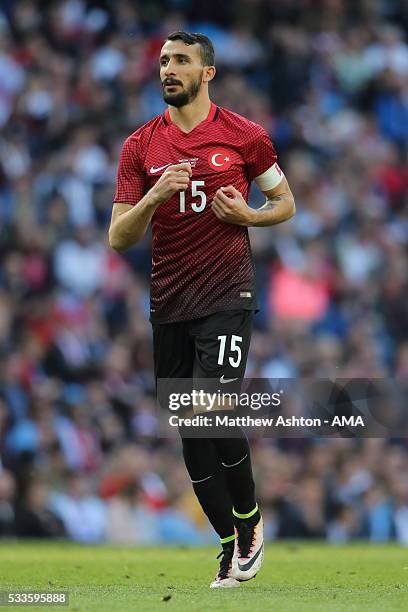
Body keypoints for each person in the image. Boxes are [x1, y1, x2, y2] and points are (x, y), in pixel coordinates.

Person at [109, 31, 295, 588]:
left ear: (207, 72)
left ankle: (250, 524)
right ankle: (228, 544)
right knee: (187, 428)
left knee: (211, 409)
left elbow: (284, 202)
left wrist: (249, 216)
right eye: (165, 61)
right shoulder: (140, 146)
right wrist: (154, 197)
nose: (169, 69)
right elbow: (119, 237)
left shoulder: (244, 136)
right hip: (169, 302)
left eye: (181, 61)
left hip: (227, 295)